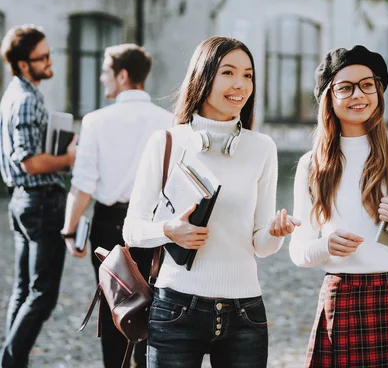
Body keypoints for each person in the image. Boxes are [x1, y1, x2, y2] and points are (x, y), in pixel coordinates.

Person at [122, 36, 300, 368]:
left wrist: (276, 232)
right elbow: (131, 230)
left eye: (248, 75)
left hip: (244, 311)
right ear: (203, 77)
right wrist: (169, 230)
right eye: (228, 72)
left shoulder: (262, 148)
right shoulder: (166, 142)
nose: (240, 84)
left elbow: (260, 246)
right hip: (175, 309)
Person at [289, 45, 388, 367]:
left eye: (367, 84)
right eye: (345, 87)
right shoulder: (312, 165)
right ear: (329, 98)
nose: (358, 95)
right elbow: (298, 252)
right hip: (344, 297)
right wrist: (326, 246)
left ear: (378, 91)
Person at [61, 43, 172, 367]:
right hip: (154, 225)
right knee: (152, 305)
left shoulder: (96, 121)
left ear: (122, 76)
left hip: (110, 226)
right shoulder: (168, 120)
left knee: (116, 309)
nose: (101, 78)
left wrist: (70, 231)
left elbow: (83, 184)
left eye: (106, 72)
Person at [0, 24, 77, 367]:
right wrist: (69, 157)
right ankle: (10, 362)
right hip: (40, 202)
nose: (49, 62)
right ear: (21, 63)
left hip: (24, 202)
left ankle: (12, 362)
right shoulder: (27, 99)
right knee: (42, 296)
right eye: (41, 57)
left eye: (49, 54)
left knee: (23, 290)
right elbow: (30, 161)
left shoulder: (16, 93)